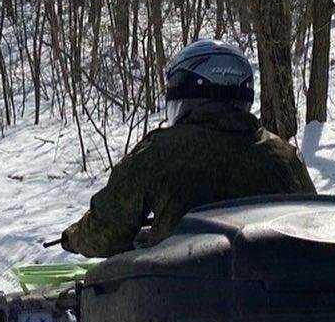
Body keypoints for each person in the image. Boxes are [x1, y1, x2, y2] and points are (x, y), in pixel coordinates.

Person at [60, 39, 315, 257]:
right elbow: (311, 227)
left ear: (185, 95)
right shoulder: (284, 155)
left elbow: (106, 232)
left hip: (180, 293)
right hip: (275, 291)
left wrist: (72, 238)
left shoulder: (159, 151)